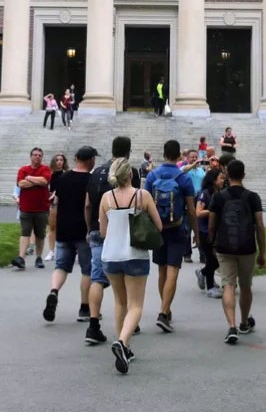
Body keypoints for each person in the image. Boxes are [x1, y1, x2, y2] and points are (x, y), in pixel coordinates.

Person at [99, 157, 163, 374]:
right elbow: (159, 225)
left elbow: (103, 231)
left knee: (120, 302)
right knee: (135, 305)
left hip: (111, 255)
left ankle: (125, 347)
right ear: (130, 174)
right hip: (135, 254)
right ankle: (122, 342)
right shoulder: (142, 195)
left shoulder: (106, 198)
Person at [84, 136, 140, 345]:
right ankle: (129, 322)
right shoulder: (130, 172)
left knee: (97, 278)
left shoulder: (97, 172)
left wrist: (89, 228)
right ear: (128, 151)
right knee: (127, 279)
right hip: (123, 232)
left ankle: (93, 324)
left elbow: (88, 204)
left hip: (99, 229)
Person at [208, 160, 266, 344]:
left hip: (225, 246)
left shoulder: (218, 197)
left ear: (227, 175)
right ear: (244, 175)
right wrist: (262, 251)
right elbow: (259, 225)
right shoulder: (253, 197)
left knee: (228, 285)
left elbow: (212, 224)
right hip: (247, 247)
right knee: (246, 286)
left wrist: (213, 243)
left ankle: (231, 326)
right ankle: (244, 322)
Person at [145, 139, 198, 333]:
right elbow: (191, 209)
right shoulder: (184, 178)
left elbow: (145, 203)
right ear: (179, 156)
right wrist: (196, 233)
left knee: (161, 270)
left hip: (158, 229)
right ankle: (163, 311)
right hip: (177, 228)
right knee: (173, 270)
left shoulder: (152, 175)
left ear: (164, 153)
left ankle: (165, 310)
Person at [43, 146, 96, 323]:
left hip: (63, 228)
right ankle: (84, 308)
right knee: (87, 270)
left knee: (61, 266)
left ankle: (54, 291)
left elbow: (56, 201)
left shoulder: (62, 178)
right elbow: (88, 205)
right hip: (82, 230)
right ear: (90, 160)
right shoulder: (90, 180)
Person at [12, 147, 52, 269]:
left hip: (42, 208)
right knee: (25, 232)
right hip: (26, 208)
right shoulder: (23, 169)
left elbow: (44, 181)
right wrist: (36, 181)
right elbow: (21, 183)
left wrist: (29, 178)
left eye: (40, 155)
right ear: (31, 156)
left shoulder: (45, 169)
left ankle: (38, 258)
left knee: (40, 234)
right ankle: (21, 258)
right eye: (35, 155)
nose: (37, 157)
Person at [195, 168, 224, 298]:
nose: (223, 181)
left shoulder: (220, 193)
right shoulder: (205, 194)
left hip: (218, 231)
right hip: (205, 231)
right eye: (220, 178)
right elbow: (198, 212)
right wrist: (213, 210)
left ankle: (203, 273)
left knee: (216, 259)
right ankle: (210, 285)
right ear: (213, 180)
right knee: (212, 259)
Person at [181, 149, 205, 263]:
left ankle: (202, 254)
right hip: (188, 198)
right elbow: (183, 170)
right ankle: (187, 254)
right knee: (187, 227)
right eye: (192, 157)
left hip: (199, 199)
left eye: (196, 157)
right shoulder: (184, 169)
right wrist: (192, 165)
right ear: (187, 158)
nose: (195, 159)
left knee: (200, 227)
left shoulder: (201, 171)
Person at [46, 153, 69, 262]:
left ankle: (67, 250)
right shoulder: (50, 174)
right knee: (52, 227)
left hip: (65, 203)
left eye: (61, 160)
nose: (59, 162)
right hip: (53, 203)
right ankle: (51, 251)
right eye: (57, 160)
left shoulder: (67, 174)